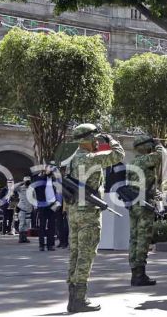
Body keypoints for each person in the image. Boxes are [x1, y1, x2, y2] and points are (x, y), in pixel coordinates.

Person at [65, 123, 124, 313]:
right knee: (86, 255)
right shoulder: (90, 158)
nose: (98, 142)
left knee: (75, 255)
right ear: (88, 139)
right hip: (88, 214)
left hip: (74, 212)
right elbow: (118, 155)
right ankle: (80, 300)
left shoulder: (72, 160)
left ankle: (72, 299)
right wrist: (112, 140)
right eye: (96, 139)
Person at [127, 134, 164, 286]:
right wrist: (158, 144)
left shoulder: (133, 161)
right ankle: (139, 274)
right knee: (143, 236)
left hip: (134, 203)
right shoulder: (145, 160)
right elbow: (160, 155)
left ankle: (135, 272)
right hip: (143, 203)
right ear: (144, 146)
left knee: (134, 237)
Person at [32, 166, 62, 251]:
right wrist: (45, 175)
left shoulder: (53, 180)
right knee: (42, 225)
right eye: (48, 170)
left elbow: (58, 190)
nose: (50, 171)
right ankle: (41, 245)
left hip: (52, 204)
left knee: (52, 225)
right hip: (43, 204)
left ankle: (50, 245)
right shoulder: (39, 179)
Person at [15, 176, 33, 243]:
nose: (28, 182)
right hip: (22, 208)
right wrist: (21, 183)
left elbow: (34, 197)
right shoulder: (20, 188)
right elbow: (13, 188)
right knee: (22, 223)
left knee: (27, 224)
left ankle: (25, 237)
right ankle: (21, 238)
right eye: (26, 181)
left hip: (29, 209)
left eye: (28, 181)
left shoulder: (32, 189)